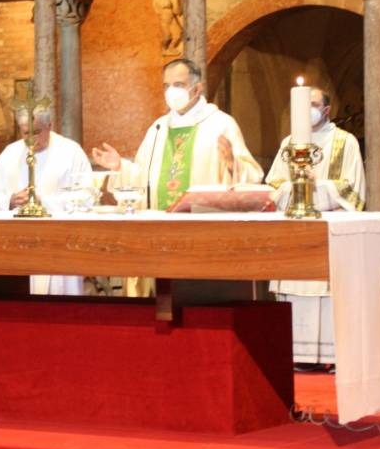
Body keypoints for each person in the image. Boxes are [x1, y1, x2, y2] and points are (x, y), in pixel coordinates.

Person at [92, 58, 263, 295]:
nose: (171, 91)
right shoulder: (158, 128)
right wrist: (120, 166)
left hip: (202, 237)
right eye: (166, 85)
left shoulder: (221, 124)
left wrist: (232, 164)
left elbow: (252, 176)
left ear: (197, 88)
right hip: (158, 237)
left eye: (179, 84)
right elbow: (144, 180)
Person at [266, 87, 365, 369]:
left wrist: (313, 188)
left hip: (329, 230)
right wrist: (296, 188)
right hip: (295, 233)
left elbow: (354, 189)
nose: (307, 109)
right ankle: (300, 356)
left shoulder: (345, 142)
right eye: (303, 104)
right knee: (296, 290)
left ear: (326, 110)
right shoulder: (289, 143)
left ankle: (333, 357)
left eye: (314, 104)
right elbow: (274, 185)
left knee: (329, 292)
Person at [0, 105, 92, 295]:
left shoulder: (71, 152)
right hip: (18, 246)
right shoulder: (10, 154)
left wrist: (44, 203)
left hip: (60, 245)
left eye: (37, 132)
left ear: (50, 125)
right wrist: (10, 200)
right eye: (26, 133)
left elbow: (87, 197)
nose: (31, 139)